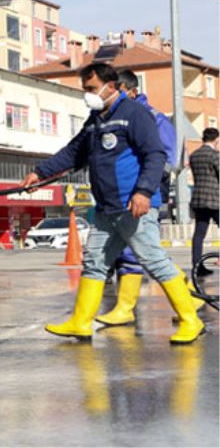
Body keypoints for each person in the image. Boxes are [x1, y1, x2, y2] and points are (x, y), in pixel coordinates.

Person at [20, 62, 204, 344]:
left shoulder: (135, 114)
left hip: (134, 205)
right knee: (94, 263)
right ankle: (80, 322)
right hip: (107, 208)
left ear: (112, 86)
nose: (87, 95)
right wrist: (39, 173)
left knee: (153, 261)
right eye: (85, 89)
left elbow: (155, 155)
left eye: (92, 89)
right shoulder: (96, 119)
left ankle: (191, 320)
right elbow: (74, 152)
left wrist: (143, 192)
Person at [95, 69, 185, 326]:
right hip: (122, 196)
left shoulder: (153, 118)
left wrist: (146, 185)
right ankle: (129, 307)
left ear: (132, 91)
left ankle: (126, 307)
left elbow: (171, 159)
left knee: (141, 250)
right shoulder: (115, 118)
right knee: (138, 250)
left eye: (118, 91)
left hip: (146, 195)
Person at [189, 127, 219, 276]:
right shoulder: (215, 155)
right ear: (216, 139)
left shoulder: (194, 155)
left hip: (198, 199)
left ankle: (197, 266)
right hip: (215, 199)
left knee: (199, 234)